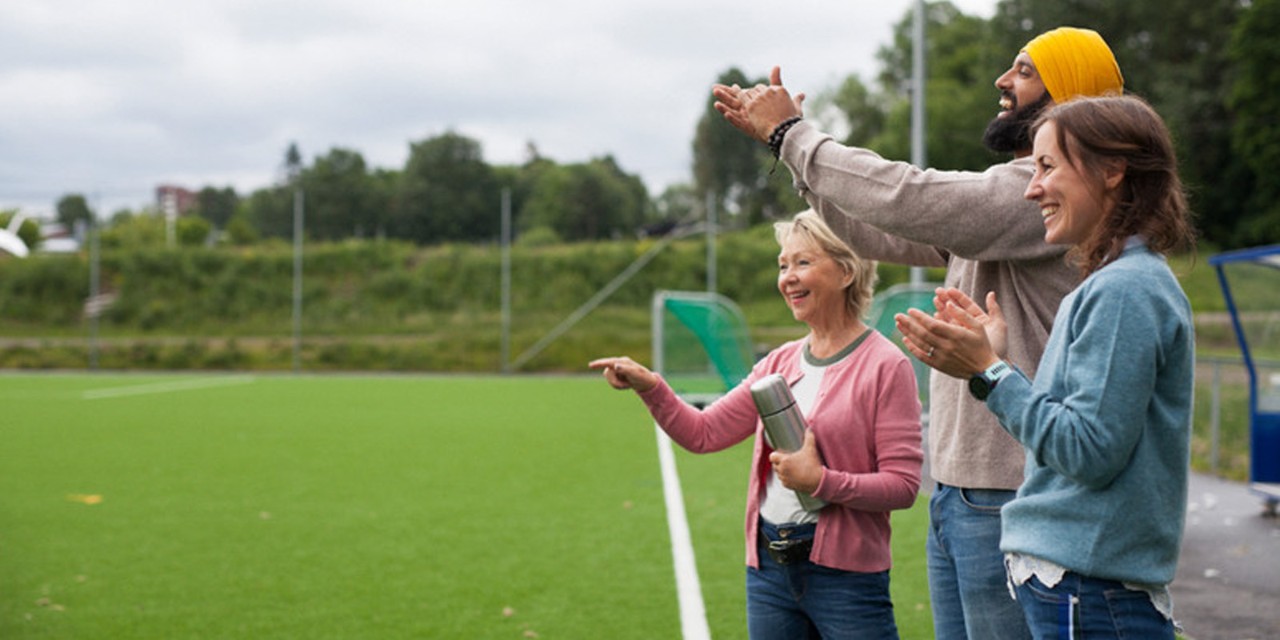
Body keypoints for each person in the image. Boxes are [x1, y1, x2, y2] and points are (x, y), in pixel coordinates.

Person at [712, 27, 1123, 640]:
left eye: (1023, 70)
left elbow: (911, 197)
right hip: (961, 491)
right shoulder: (1022, 195)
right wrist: (798, 163)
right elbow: (879, 231)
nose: (1002, 81)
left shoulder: (1039, 195)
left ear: (1070, 93)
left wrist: (795, 137)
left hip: (1008, 490)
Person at [894, 95, 1196, 638]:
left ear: (1112, 171)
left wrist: (988, 371)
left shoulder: (1125, 289)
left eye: (1047, 167)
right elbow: (1082, 429)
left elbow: (1087, 451)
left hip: (1090, 592)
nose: (1032, 188)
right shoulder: (1114, 282)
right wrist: (998, 359)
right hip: (1082, 588)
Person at [590, 210, 923, 639]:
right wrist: (651, 386)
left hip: (847, 582)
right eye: (783, 265)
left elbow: (902, 486)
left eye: (803, 263)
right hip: (768, 572)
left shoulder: (886, 365)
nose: (787, 278)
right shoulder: (778, 362)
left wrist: (821, 480)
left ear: (846, 271)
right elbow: (704, 433)